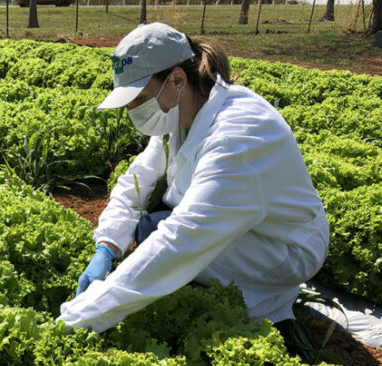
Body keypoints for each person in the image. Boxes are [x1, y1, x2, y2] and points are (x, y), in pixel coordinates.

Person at [57, 22, 329, 334]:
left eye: (140, 98)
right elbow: (137, 180)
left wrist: (79, 318)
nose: (134, 110)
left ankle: (262, 312)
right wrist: (107, 246)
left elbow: (182, 240)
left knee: (159, 236)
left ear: (176, 80)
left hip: (282, 249)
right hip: (244, 227)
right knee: (150, 227)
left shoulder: (237, 136)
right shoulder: (181, 112)